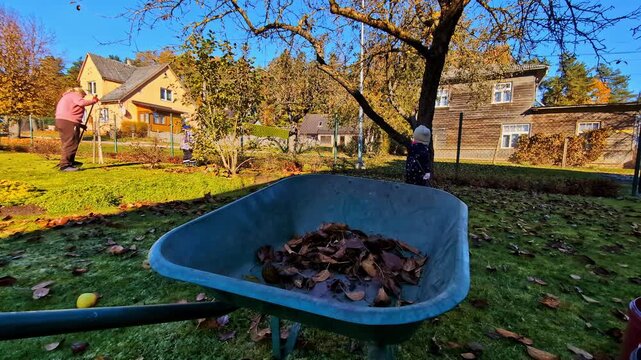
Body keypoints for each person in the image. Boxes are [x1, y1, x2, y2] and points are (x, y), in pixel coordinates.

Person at [54, 87, 99, 171]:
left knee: (67, 142)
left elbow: (69, 112)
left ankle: (69, 162)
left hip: (61, 121)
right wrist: (93, 101)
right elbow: (81, 103)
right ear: (80, 93)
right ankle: (65, 165)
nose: (83, 98)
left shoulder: (66, 97)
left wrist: (80, 125)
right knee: (71, 143)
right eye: (83, 96)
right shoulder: (74, 95)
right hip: (69, 122)